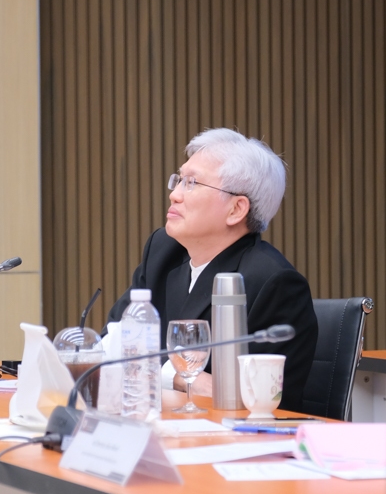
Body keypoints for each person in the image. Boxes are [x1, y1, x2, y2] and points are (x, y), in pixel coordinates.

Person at [106, 127, 319, 414]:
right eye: (178, 179)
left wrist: (164, 373)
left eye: (191, 183)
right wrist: (182, 377)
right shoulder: (162, 251)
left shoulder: (274, 283)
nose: (174, 195)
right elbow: (112, 344)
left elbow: (261, 402)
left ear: (236, 209)